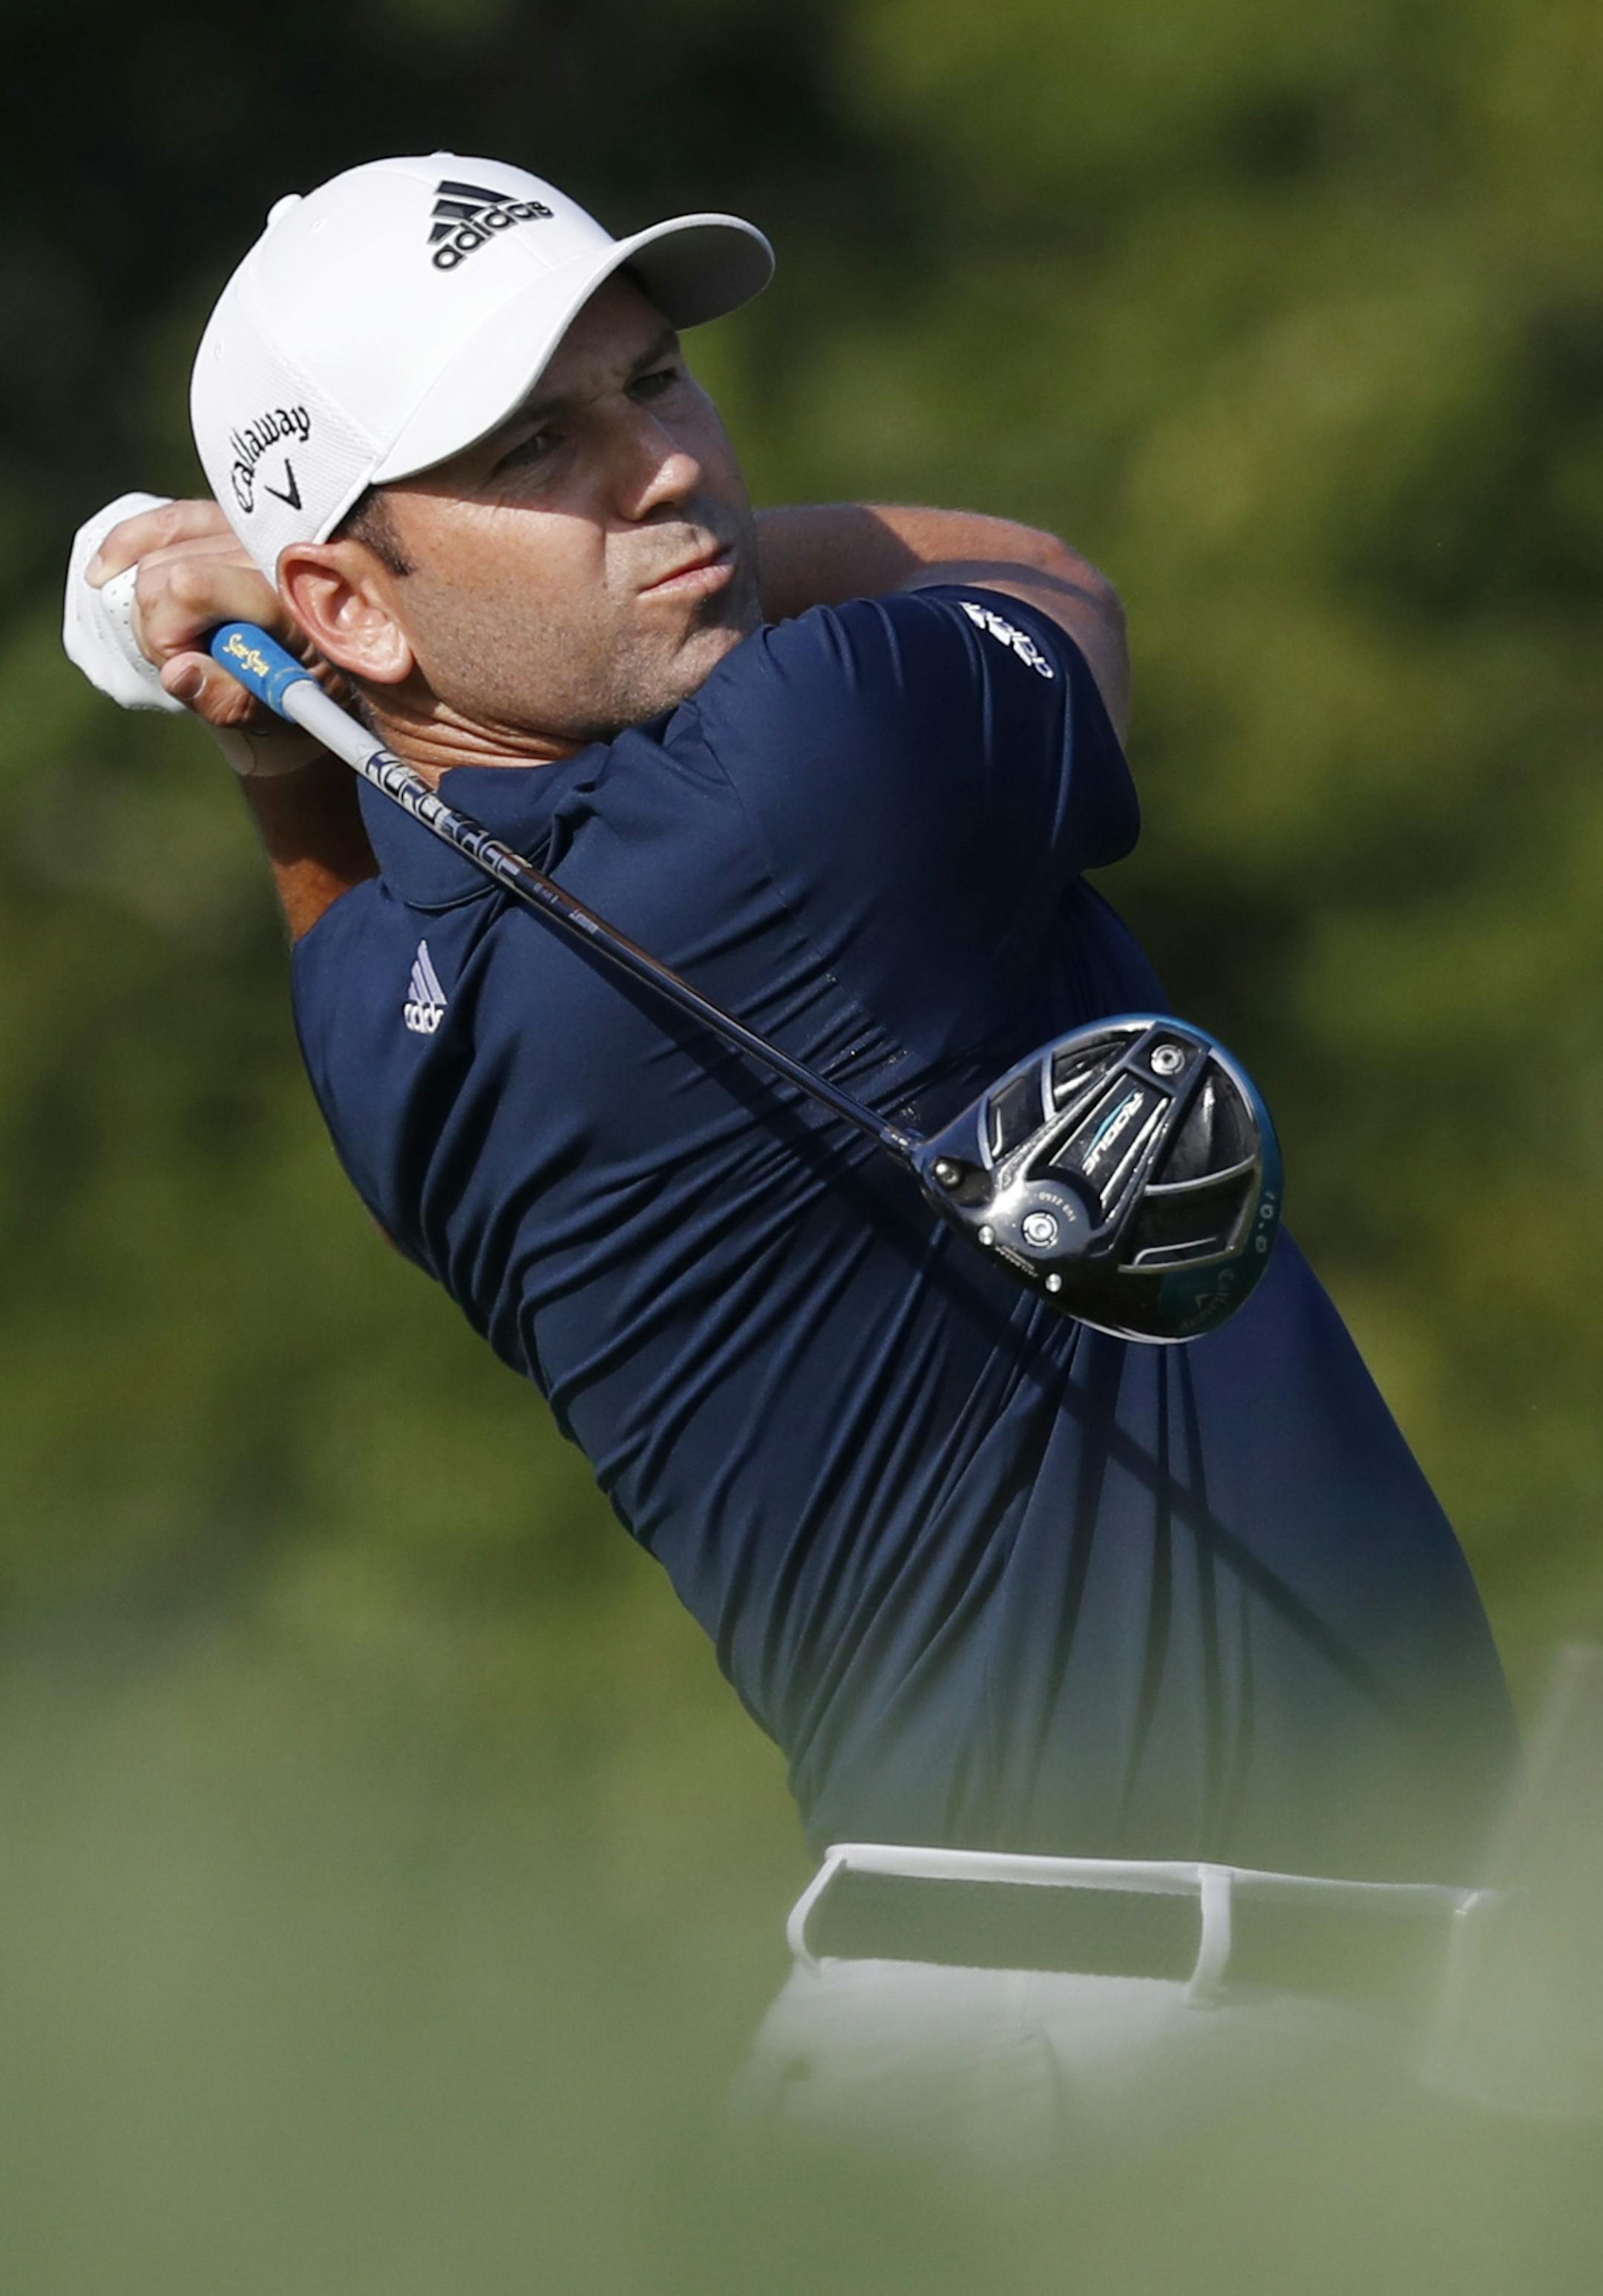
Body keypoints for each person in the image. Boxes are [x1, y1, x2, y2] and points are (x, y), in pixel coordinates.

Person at [68, 153, 1515, 2156]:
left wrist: (270, 722)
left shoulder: (388, 1036)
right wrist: (286, 644)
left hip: (1008, 2049)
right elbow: (1048, 579)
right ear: (341, 601)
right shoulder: (818, 779)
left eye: (657, 383)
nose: (664, 469)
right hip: (1139, 2067)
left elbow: (342, 908)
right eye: (536, 446)